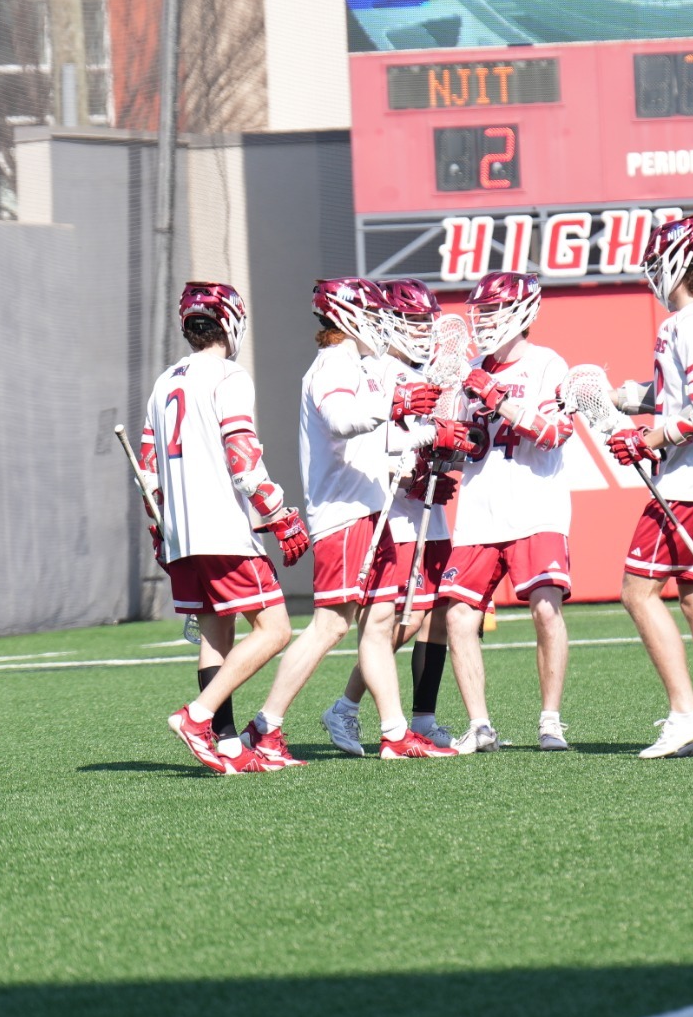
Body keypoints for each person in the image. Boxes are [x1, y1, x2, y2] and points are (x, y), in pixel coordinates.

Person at [238, 279, 455, 763]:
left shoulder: (355, 364)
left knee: (379, 625)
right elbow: (341, 420)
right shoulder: (333, 362)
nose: (381, 323)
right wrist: (394, 407)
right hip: (344, 513)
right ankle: (265, 727)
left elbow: (374, 441)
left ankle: (395, 735)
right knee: (329, 627)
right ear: (349, 315)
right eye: (373, 313)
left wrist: (427, 435)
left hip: (369, 509)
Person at [142, 282, 310, 774]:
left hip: (181, 532)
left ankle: (230, 746)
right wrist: (278, 512)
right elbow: (242, 457)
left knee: (216, 633)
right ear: (231, 322)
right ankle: (197, 717)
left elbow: (148, 470)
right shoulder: (229, 376)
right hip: (221, 527)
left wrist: (159, 524)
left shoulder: (163, 382)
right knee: (276, 629)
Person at [608, 215, 693, 758]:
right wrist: (626, 398)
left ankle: (685, 713)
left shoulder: (688, 324)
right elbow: (689, 395)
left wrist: (651, 440)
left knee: (636, 592)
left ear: (674, 263)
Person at [436, 271, 574, 754]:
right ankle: (479, 725)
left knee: (544, 608)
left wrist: (498, 401)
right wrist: (447, 441)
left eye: (493, 310)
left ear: (522, 313)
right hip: (479, 511)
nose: (485, 321)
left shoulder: (547, 365)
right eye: (482, 312)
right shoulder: (470, 368)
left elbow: (557, 432)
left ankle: (551, 721)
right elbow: (460, 447)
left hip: (535, 507)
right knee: (458, 616)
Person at [326, 279, 464, 754]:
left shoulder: (429, 371)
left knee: (436, 611)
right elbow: (372, 447)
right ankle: (347, 707)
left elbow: (443, 436)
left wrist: (448, 460)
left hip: (428, 506)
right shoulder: (378, 371)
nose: (422, 331)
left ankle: (422, 716)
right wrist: (407, 472)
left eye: (427, 322)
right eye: (413, 322)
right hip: (395, 513)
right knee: (394, 620)